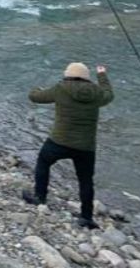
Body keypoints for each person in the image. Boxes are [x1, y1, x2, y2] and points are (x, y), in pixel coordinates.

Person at [23, 63, 114, 229]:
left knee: (43, 162)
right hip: (86, 147)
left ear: (68, 75)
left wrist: (36, 87)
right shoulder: (97, 94)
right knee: (86, 180)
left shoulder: (61, 88)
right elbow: (109, 94)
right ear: (87, 77)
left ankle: (39, 197)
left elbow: (35, 97)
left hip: (59, 141)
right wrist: (102, 74)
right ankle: (86, 217)